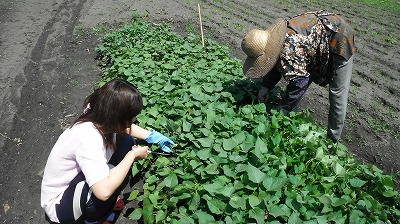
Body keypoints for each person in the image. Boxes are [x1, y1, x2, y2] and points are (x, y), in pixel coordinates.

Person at [41, 79, 175, 224]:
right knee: (107, 186)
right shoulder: (88, 138)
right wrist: (132, 156)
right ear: (116, 117)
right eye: (131, 117)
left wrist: (152, 136)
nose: (135, 119)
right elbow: (103, 192)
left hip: (75, 186)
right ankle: (94, 220)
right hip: (61, 207)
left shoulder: (97, 110)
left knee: (126, 143)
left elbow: (123, 126)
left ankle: (102, 206)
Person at [241, 10, 355, 143]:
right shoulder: (275, 40)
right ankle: (292, 110)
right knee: (298, 66)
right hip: (316, 36)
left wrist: (283, 109)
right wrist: (265, 87)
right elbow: (274, 60)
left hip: (339, 37)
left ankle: (332, 140)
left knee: (337, 93)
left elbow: (300, 82)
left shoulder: (289, 48)